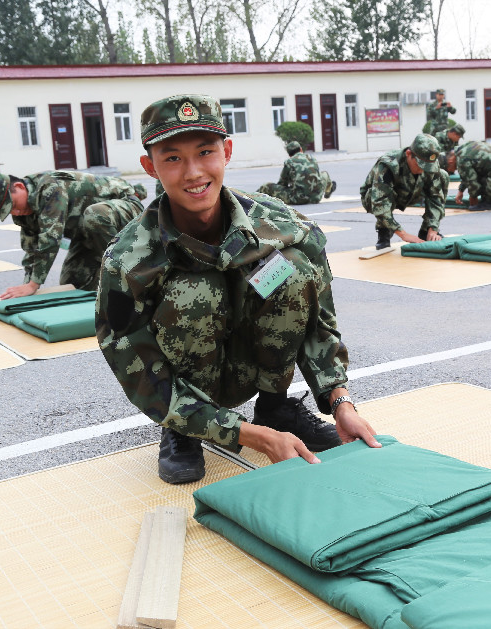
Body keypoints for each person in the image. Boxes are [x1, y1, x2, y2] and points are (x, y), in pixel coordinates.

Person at [95, 94, 380, 484]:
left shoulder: (282, 225)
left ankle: (276, 409)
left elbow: (320, 322)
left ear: (226, 152)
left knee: (290, 268)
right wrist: (248, 436)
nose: (193, 173)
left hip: (255, 366)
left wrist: (341, 402)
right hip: (186, 390)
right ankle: (184, 431)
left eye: (205, 152)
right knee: (194, 291)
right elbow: (140, 371)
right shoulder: (129, 261)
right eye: (173, 158)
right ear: (150, 167)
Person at [0, 170, 144, 299]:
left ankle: (133, 277)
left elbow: (50, 238)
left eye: (14, 204)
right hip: (87, 232)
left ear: (20, 187)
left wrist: (33, 284)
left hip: (125, 207)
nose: (15, 212)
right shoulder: (24, 212)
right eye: (10, 210)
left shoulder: (50, 187)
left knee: (95, 214)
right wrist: (26, 287)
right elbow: (31, 250)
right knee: (72, 283)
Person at [361, 134, 447, 249]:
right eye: (419, 165)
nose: (422, 170)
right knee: (382, 197)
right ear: (408, 154)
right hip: (377, 197)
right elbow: (379, 203)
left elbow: (436, 198)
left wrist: (433, 229)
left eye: (426, 167)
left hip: (412, 192)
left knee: (443, 176)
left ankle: (425, 231)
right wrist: (404, 235)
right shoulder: (388, 164)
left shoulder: (430, 162)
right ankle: (384, 230)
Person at [257, 141, 336, 204]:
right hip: (316, 197)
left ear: (289, 154)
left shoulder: (289, 162)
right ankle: (328, 192)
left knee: (266, 186)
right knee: (324, 174)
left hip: (298, 199)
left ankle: (252, 199)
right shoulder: (312, 158)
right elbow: (317, 177)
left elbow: (282, 183)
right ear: (301, 149)